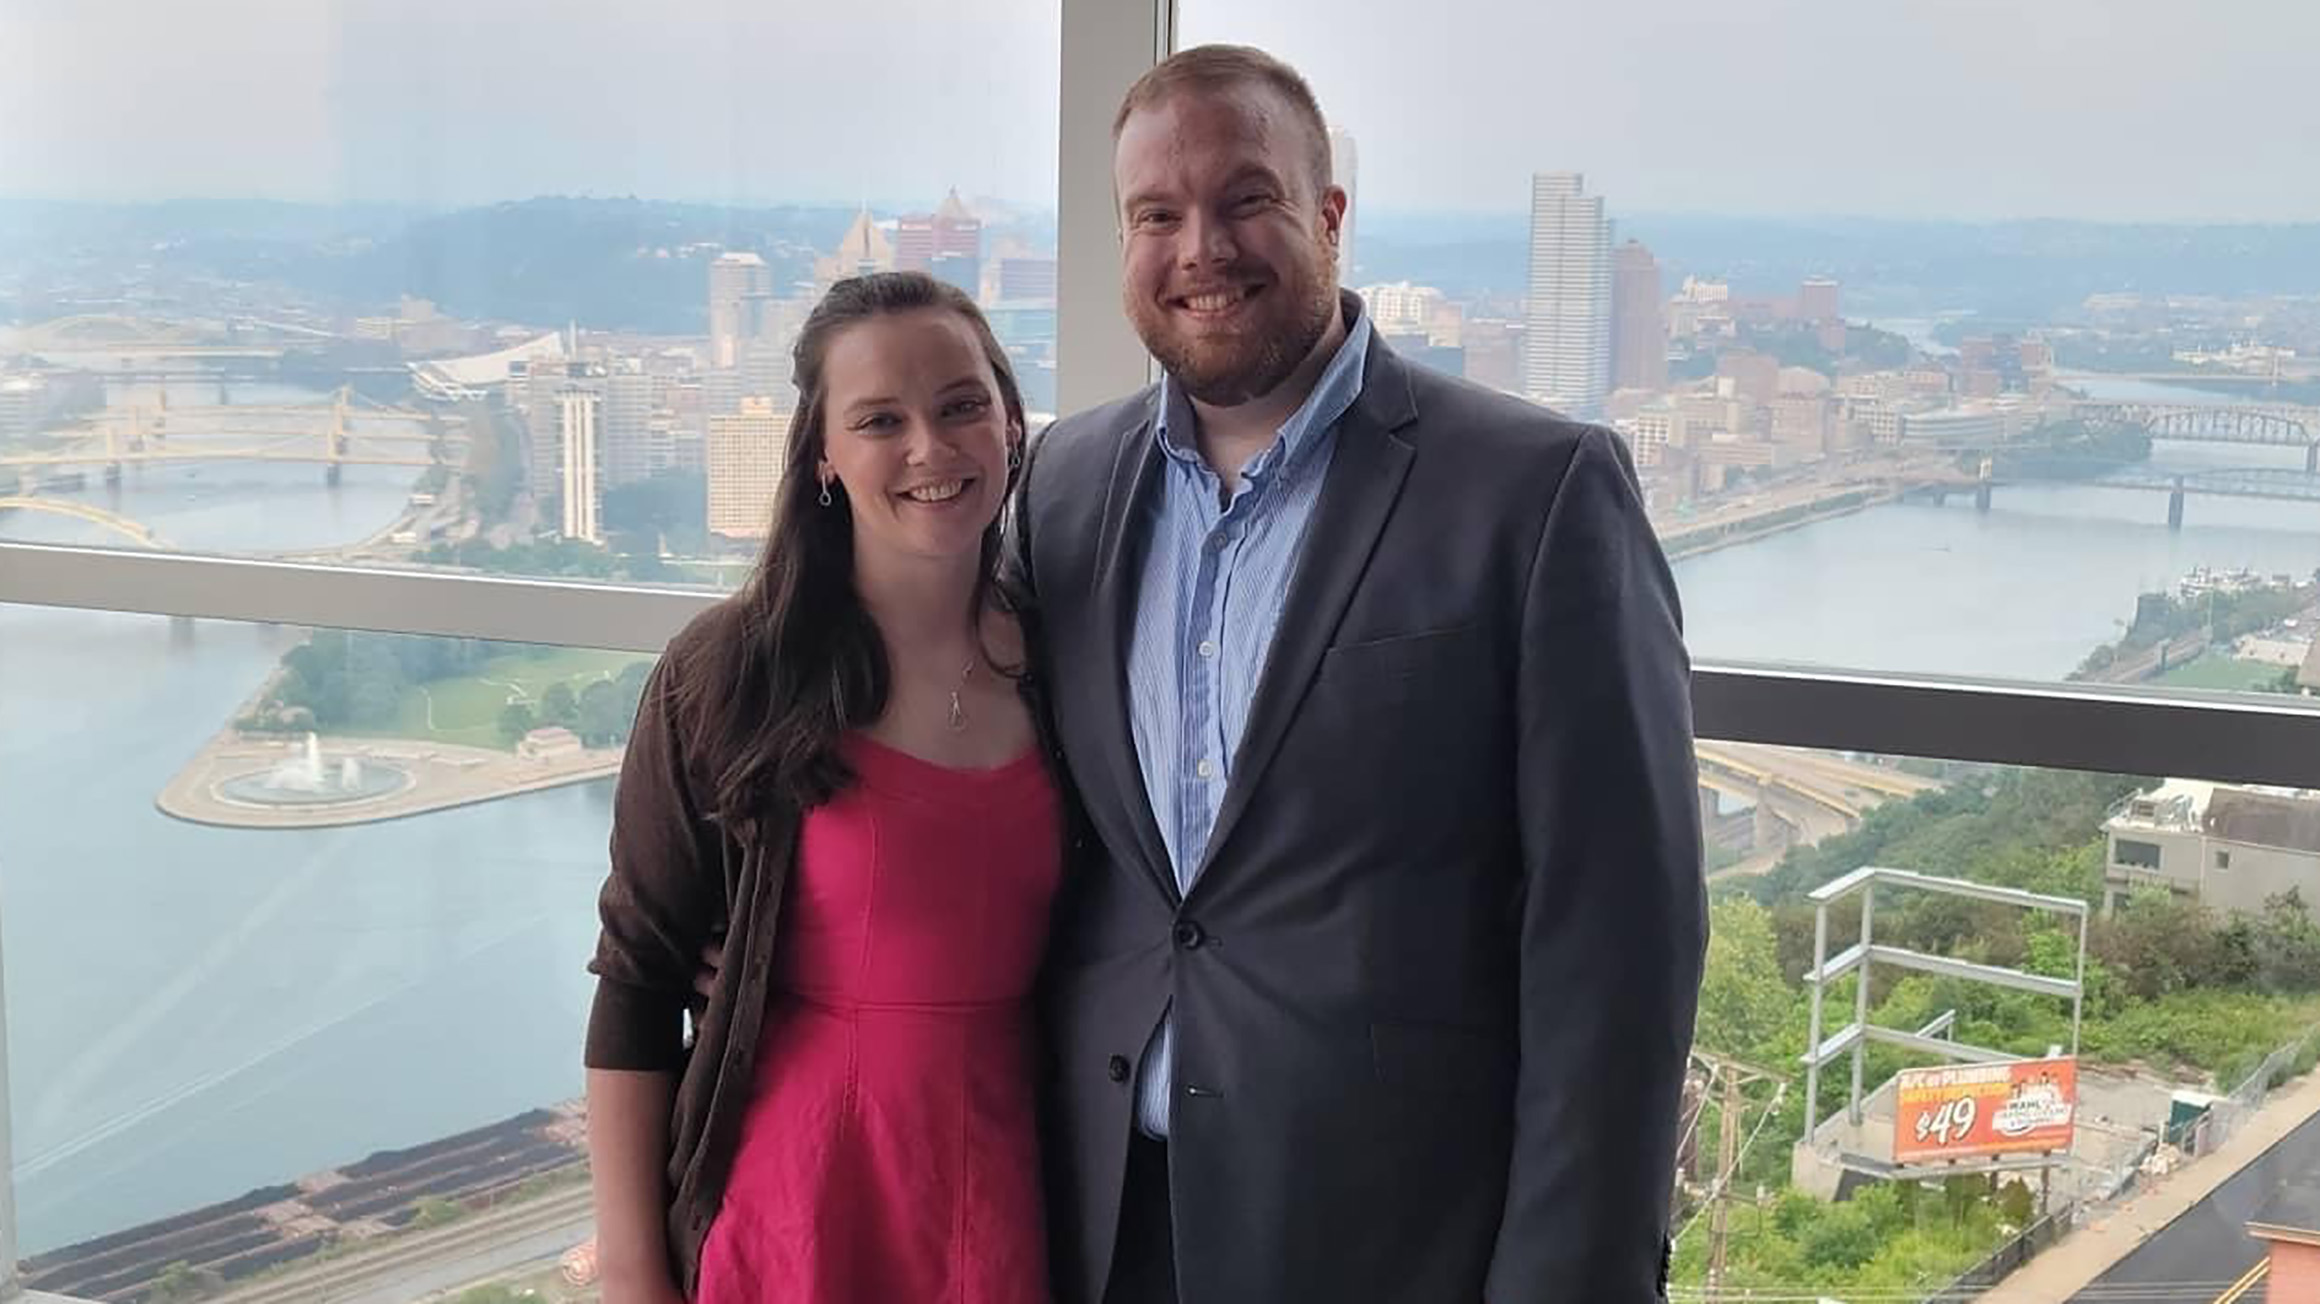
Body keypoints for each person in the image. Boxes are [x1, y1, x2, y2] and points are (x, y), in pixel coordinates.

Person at [1012, 45, 1708, 1303]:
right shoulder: (1059, 485)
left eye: (1246, 200)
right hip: (1097, 1220)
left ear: (1328, 216)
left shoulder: (1535, 491)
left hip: (1392, 1239)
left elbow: (1619, 937)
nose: (1201, 248)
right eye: (1156, 216)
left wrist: (1574, 1273)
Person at [584, 271, 1063, 1304]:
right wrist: (632, 1272)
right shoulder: (731, 671)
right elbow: (638, 976)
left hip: (1021, 1179)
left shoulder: (1076, 659)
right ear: (822, 459)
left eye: (960, 405)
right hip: (799, 1197)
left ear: (1012, 422)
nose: (930, 449)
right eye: (880, 420)